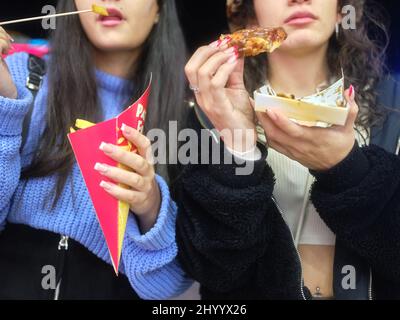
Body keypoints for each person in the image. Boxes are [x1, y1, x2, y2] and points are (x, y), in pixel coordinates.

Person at [176, 0, 400, 299]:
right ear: (250, 14)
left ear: (340, 10)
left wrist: (346, 168)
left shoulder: (394, 105)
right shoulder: (212, 112)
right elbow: (213, 270)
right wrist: (239, 150)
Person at [0, 0, 191, 299]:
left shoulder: (185, 120)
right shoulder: (18, 77)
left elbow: (166, 288)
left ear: (160, 10)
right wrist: (6, 110)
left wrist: (150, 206)